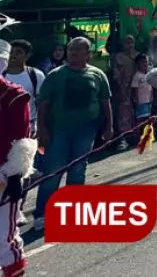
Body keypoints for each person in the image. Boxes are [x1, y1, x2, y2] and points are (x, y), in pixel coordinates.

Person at [32, 37, 113, 230]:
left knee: (78, 169)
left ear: (88, 54)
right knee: (53, 171)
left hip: (86, 130)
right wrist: (42, 129)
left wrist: (109, 126)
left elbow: (105, 102)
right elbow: (43, 105)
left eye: (78, 50)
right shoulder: (55, 75)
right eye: (70, 50)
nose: (73, 54)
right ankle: (42, 214)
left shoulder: (97, 75)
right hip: (58, 130)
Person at [0, 75, 38, 277]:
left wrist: (15, 176)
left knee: (4, 236)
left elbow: (22, 138)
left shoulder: (13, 96)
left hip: (3, 174)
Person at [3, 40, 45, 137]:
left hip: (30, 126)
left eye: (18, 52)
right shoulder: (1, 75)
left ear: (27, 56)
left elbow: (42, 102)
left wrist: (41, 127)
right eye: (10, 52)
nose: (13, 55)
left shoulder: (36, 75)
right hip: (5, 126)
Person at [131, 54, 152, 123]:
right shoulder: (137, 76)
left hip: (148, 101)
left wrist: (151, 97)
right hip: (141, 102)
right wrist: (136, 101)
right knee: (142, 121)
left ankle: (148, 133)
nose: (145, 64)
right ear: (138, 64)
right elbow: (135, 89)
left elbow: (150, 87)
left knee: (149, 119)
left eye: (146, 62)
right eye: (142, 62)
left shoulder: (148, 75)